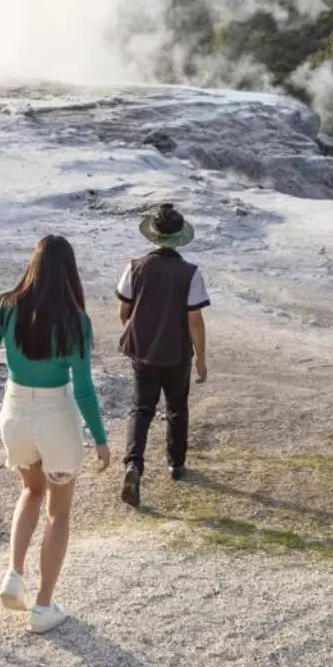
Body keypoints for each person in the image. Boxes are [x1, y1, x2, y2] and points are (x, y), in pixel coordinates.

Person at [0, 234, 110, 634]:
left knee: (30, 491)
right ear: (69, 272)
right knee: (58, 513)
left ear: (32, 265)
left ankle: (14, 574)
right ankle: (44, 605)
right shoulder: (76, 321)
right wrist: (100, 438)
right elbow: (84, 389)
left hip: (14, 413)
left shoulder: (4, 307)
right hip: (56, 415)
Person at [115, 203, 210, 508]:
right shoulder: (190, 273)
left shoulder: (135, 267)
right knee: (177, 408)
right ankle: (176, 464)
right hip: (176, 352)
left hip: (143, 353)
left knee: (141, 409)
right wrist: (201, 358)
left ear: (153, 235)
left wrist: (135, 332)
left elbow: (124, 310)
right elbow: (194, 319)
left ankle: (133, 464)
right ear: (180, 236)